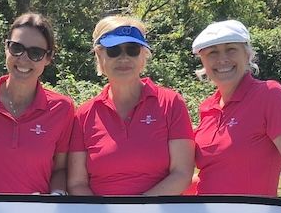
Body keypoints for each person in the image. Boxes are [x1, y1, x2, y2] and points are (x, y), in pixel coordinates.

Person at [189, 19, 281, 213]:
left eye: (231, 49)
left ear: (247, 54)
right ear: (203, 61)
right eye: (212, 52)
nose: (222, 59)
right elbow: (212, 173)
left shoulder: (269, 94)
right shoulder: (207, 107)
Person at [67, 16, 194, 196]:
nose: (124, 58)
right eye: (114, 50)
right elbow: (77, 183)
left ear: (143, 56)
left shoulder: (171, 103)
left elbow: (182, 174)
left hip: (160, 211)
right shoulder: (84, 115)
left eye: (132, 49)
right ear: (99, 56)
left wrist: (138, 207)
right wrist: (105, 211)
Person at [0, 13, 75, 194]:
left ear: (48, 58)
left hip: (37, 210)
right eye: (16, 48)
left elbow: (60, 168)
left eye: (35, 53)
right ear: (6, 48)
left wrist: (56, 195)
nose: (23, 58)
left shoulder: (62, 109)